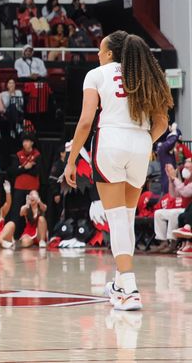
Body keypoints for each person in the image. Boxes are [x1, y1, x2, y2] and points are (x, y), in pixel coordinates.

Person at [65, 31, 172, 311]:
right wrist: (143, 141)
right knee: (126, 218)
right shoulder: (144, 73)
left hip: (111, 142)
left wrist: (72, 158)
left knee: (116, 221)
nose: (98, 55)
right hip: (140, 143)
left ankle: (130, 287)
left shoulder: (97, 74)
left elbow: (87, 120)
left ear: (110, 53)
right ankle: (119, 285)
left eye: (101, 50)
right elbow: (162, 121)